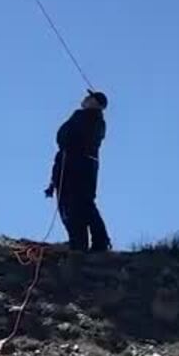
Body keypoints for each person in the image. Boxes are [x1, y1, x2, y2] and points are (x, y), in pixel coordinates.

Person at [45, 91, 111, 252]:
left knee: (82, 204)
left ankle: (99, 242)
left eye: (90, 98)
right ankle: (78, 243)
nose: (85, 98)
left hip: (80, 167)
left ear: (96, 103)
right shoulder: (85, 117)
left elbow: (71, 138)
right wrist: (53, 182)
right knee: (70, 206)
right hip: (70, 166)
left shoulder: (93, 120)